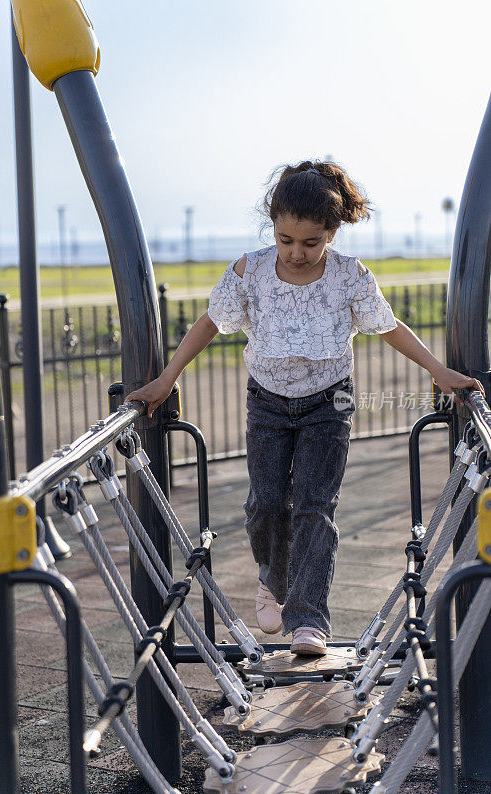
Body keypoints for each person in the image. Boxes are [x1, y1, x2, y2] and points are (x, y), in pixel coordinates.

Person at [126, 160, 482, 656]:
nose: (296, 252)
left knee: (316, 508)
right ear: (273, 229)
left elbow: (388, 326)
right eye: (285, 239)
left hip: (328, 404)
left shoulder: (348, 276)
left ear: (332, 234)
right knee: (267, 504)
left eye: (310, 243)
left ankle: (308, 619)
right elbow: (211, 322)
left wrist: (437, 369)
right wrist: (168, 377)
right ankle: (273, 579)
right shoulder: (250, 270)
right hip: (268, 404)